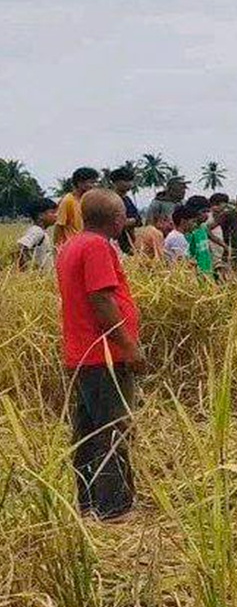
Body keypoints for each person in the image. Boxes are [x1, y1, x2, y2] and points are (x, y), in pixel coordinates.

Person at [55, 188, 142, 520]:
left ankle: (89, 502)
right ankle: (114, 507)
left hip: (81, 353)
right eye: (122, 214)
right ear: (117, 219)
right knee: (113, 430)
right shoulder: (96, 246)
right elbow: (102, 301)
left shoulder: (72, 244)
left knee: (88, 432)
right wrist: (129, 347)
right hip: (102, 355)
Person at [53, 167, 100, 247]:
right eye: (91, 182)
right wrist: (57, 248)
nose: (93, 186)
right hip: (71, 246)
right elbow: (59, 226)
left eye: (95, 183)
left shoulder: (89, 201)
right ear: (80, 183)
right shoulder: (68, 201)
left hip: (85, 245)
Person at [16, 197, 57, 270]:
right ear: (40, 215)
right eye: (52, 212)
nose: (56, 215)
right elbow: (22, 246)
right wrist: (24, 269)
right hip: (39, 277)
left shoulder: (41, 231)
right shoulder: (37, 231)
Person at [109, 167, 141, 255]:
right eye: (125, 180)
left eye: (130, 180)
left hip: (129, 242)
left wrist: (130, 221)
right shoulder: (109, 200)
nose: (129, 183)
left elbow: (138, 220)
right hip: (115, 242)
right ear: (115, 182)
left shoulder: (127, 200)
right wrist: (127, 222)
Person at [183, 196, 217, 278]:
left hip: (208, 271)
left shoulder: (203, 228)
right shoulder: (188, 232)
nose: (206, 215)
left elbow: (207, 250)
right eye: (203, 211)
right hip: (196, 274)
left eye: (208, 212)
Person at [207, 193, 230, 277]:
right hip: (211, 252)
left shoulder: (223, 217)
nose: (225, 209)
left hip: (221, 252)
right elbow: (206, 231)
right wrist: (223, 245)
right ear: (214, 205)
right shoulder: (207, 217)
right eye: (223, 206)